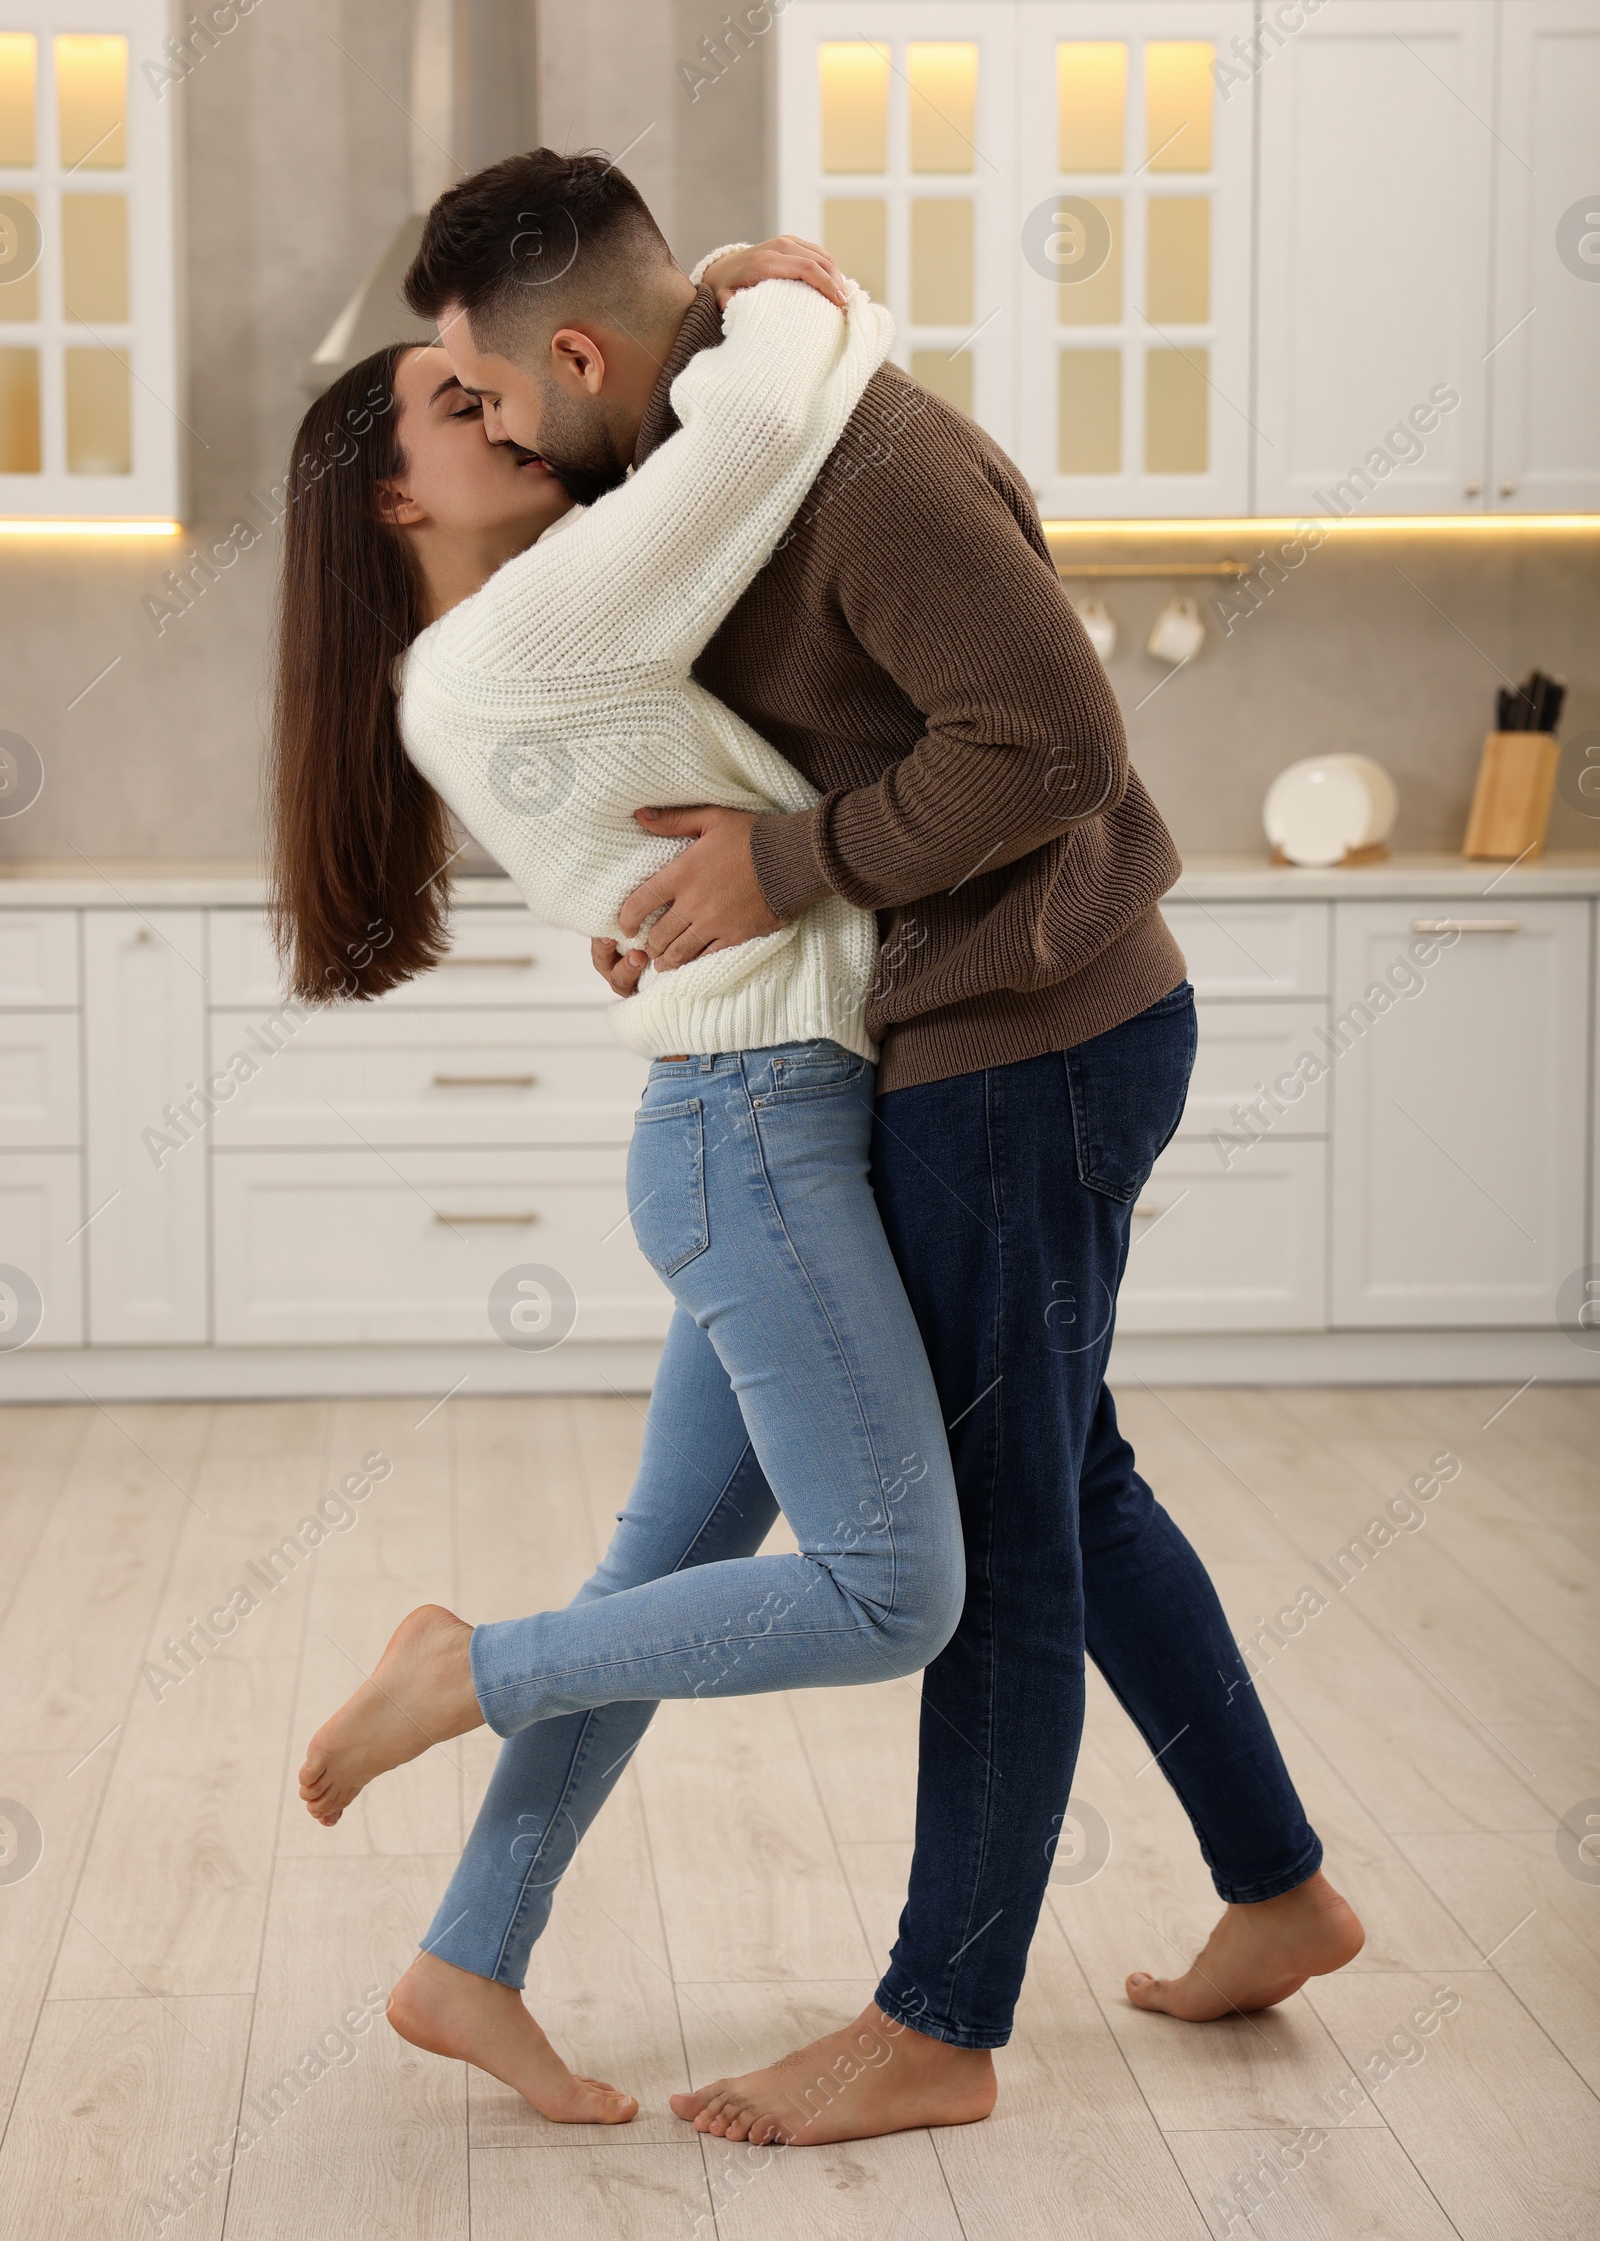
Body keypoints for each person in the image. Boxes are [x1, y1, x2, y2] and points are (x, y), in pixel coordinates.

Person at [398, 148, 1365, 2147]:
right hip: (980, 1033)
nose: (484, 430)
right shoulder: (735, 448)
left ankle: (938, 2019)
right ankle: (1275, 1888)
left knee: (997, 1532)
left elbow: (1051, 745)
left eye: (488, 395)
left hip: (1027, 1047)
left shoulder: (864, 466)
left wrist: (785, 866)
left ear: (577, 351)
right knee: (1069, 1484)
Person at [270, 235, 969, 2127]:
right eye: (457, 403)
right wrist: (781, 285)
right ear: (405, 495)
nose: (500, 405)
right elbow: (753, 427)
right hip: (759, 1134)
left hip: (742, 1121)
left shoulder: (483, 657)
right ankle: (470, 1668)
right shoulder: (517, 636)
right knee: (895, 1593)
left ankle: (464, 1958)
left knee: (666, 1570)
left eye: (486, 376)